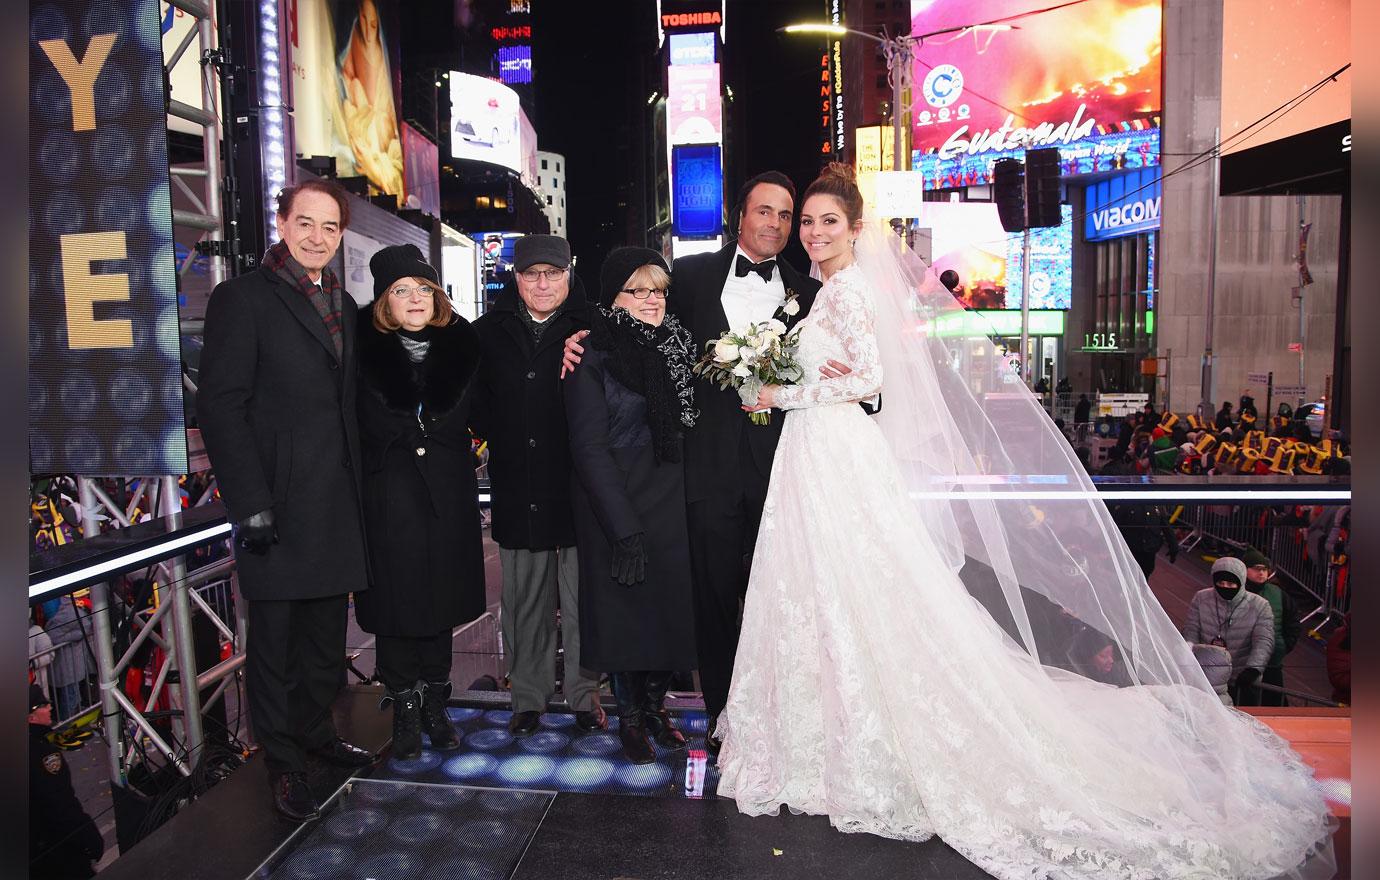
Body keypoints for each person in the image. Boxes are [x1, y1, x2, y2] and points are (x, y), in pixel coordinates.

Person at [714, 164, 1332, 879]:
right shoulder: (825, 291)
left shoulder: (849, 291)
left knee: (858, 588)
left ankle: (853, 743)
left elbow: (868, 379)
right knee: (827, 591)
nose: (815, 234)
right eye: (809, 223)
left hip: (833, 445)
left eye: (828, 222)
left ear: (855, 229)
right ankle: (825, 735)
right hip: (818, 452)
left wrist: (777, 389)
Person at [197, 178, 375, 821]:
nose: (317, 237)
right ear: (281, 221)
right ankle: (282, 760)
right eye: (306, 222)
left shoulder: (345, 304)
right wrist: (250, 503)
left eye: (330, 227)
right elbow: (220, 407)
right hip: (275, 501)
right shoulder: (240, 298)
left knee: (326, 637)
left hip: (335, 499)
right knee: (274, 642)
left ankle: (316, 736)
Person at [564, 247, 699, 763]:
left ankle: (655, 708)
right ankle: (630, 718)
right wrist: (621, 526)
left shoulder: (678, 347)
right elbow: (588, 448)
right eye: (636, 289)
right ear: (613, 297)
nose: (650, 300)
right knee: (624, 618)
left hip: (668, 499)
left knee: (665, 614)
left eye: (657, 289)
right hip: (615, 505)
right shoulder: (590, 355)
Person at [354, 245, 486, 758]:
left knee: (440, 603)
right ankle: (405, 705)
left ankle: (436, 701)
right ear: (385, 300)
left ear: (438, 296)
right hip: (389, 492)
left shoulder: (464, 345)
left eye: (423, 289)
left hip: (448, 494)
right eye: (401, 290)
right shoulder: (361, 348)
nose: (414, 298)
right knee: (395, 606)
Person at [471, 234, 604, 736]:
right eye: (532, 274)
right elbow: (476, 407)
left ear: (568, 275)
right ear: (517, 278)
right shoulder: (487, 332)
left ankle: (584, 695)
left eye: (553, 273)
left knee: (581, 601)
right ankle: (527, 696)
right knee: (524, 602)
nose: (543, 283)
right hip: (517, 485)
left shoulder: (593, 328)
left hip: (577, 489)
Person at [29, 684, 103, 879]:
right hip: (55, 849)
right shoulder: (43, 754)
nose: (50, 707)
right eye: (43, 705)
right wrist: (88, 836)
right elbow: (60, 803)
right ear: (31, 717)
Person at [1182, 557, 1275, 707]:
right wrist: (1190, 660)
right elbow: (1191, 631)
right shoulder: (1201, 598)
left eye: (1231, 584)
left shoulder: (1260, 605)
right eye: (1220, 583)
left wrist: (1253, 669)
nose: (1225, 587)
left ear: (1241, 582)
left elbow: (1263, 640)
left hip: (1242, 678)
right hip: (1208, 677)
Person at [1242, 547, 1301, 706]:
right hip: (1242, 661)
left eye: (1265, 569)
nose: (1261, 573)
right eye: (1256, 569)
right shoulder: (1237, 592)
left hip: (1272, 660)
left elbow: (1293, 622)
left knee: (1275, 703)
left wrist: (1283, 645)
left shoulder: (1278, 593)